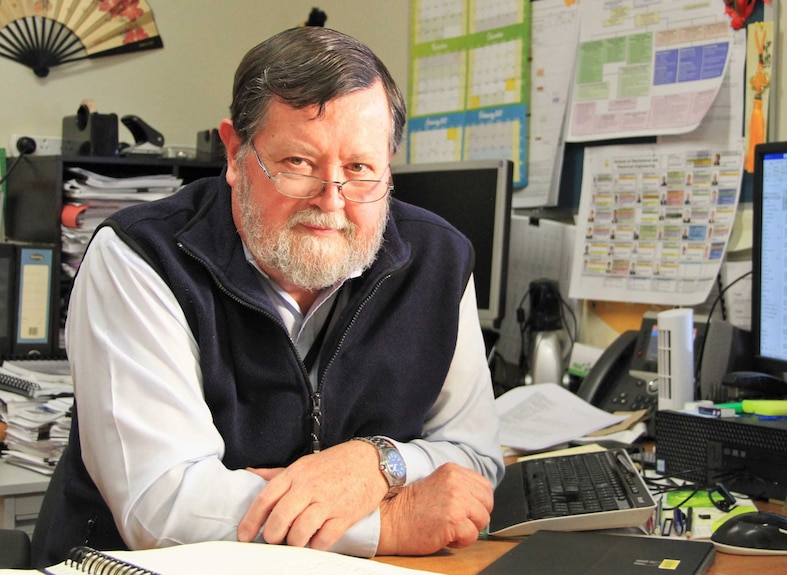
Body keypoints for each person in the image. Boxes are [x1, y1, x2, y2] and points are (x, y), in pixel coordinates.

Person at [35, 27, 504, 567]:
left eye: (359, 168)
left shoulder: (440, 262)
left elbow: (472, 465)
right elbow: (160, 507)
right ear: (235, 153)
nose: (331, 201)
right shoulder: (139, 258)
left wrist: (374, 466)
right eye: (298, 164)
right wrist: (390, 520)